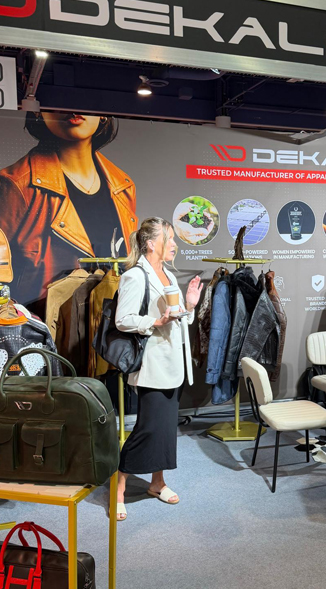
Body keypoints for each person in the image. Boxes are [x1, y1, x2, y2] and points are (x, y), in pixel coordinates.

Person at [0, 112, 138, 311]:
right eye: (58, 100)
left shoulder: (123, 186)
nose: (74, 110)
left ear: (103, 116)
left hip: (112, 319)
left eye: (87, 101)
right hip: (47, 321)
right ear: (39, 112)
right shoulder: (16, 185)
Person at [114, 217, 202, 521]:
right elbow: (122, 319)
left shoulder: (167, 274)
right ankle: (119, 488)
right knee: (148, 428)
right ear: (152, 243)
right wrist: (156, 321)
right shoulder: (135, 276)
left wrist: (189, 306)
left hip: (174, 366)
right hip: (152, 366)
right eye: (170, 238)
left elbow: (178, 320)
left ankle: (157, 483)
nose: (175, 244)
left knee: (165, 430)